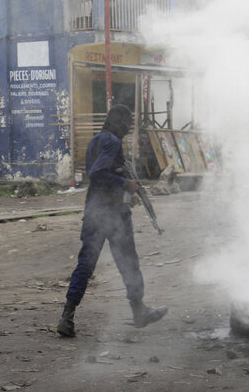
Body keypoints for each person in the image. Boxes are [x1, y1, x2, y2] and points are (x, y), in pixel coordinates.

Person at [57, 104, 167, 337]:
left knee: (85, 265)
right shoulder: (113, 142)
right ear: (120, 122)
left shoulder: (96, 140)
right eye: (127, 122)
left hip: (96, 211)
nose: (128, 127)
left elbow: (101, 175)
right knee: (128, 263)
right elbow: (98, 172)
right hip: (112, 215)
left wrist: (124, 190)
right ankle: (138, 312)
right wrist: (125, 185)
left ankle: (67, 317)